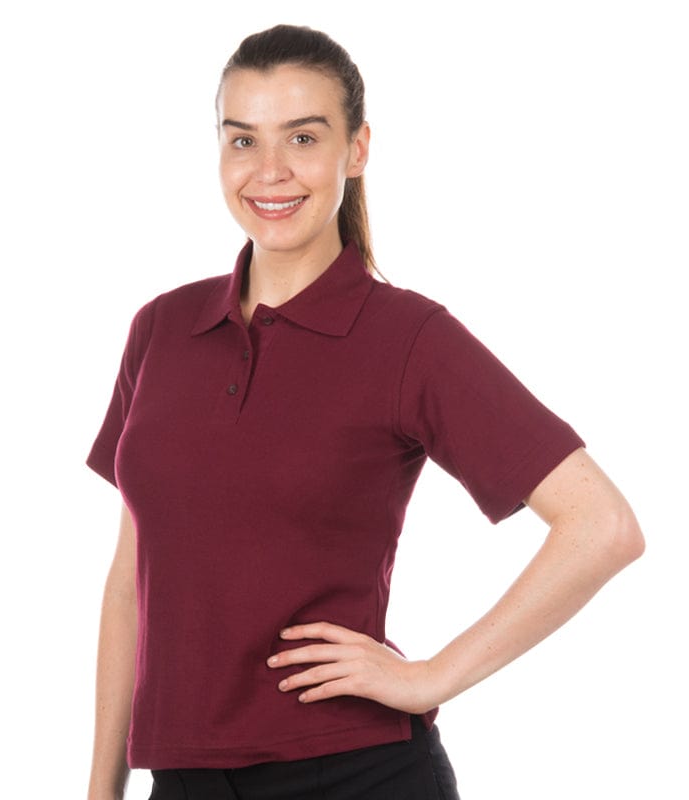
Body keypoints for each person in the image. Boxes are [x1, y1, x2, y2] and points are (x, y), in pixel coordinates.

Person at [85, 24, 644, 800]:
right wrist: (101, 790)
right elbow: (130, 583)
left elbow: (602, 526)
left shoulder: (407, 338)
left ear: (357, 149)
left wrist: (429, 678)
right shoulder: (162, 328)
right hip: (183, 780)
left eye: (303, 137)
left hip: (354, 775)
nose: (270, 170)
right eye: (243, 139)